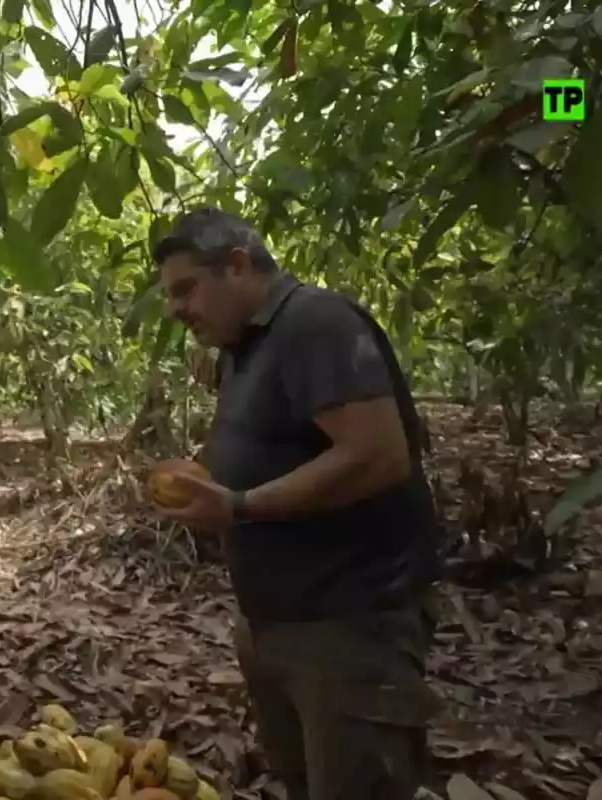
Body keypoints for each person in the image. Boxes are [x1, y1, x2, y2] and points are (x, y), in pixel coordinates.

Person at [151, 207, 441, 800]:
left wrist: (238, 505)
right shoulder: (243, 346)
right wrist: (204, 481)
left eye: (186, 289)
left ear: (236, 266)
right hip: (274, 623)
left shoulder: (316, 323)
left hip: (347, 626)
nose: (176, 309)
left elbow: (377, 454)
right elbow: (281, 449)